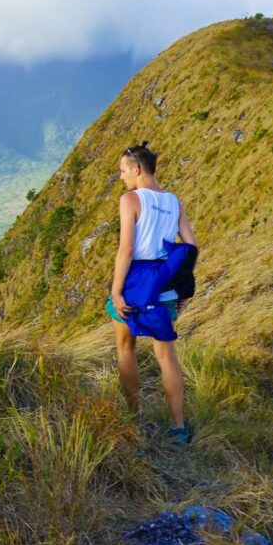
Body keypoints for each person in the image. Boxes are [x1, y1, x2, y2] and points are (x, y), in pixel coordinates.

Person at [107, 142, 198, 444]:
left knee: (125, 347)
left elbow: (127, 249)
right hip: (166, 284)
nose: (121, 177)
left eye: (122, 171)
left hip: (136, 282)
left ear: (136, 169)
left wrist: (116, 291)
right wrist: (183, 287)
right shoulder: (175, 202)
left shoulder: (130, 199)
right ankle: (178, 426)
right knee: (166, 354)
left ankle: (133, 416)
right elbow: (191, 247)